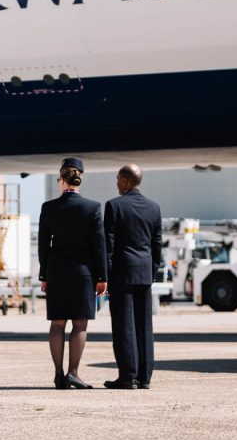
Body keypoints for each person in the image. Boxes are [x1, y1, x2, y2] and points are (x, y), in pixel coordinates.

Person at [39, 157, 108, 389]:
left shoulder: (48, 208)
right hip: (83, 274)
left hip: (57, 272)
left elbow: (43, 246)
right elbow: (99, 245)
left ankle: (58, 374)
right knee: (80, 325)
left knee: (57, 324)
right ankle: (73, 373)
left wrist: (44, 275)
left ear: (61, 180)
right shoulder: (92, 207)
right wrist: (102, 277)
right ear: (80, 179)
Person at [104, 164, 162, 390]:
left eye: (118, 179)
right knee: (144, 326)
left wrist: (106, 275)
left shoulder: (114, 206)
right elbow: (156, 245)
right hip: (144, 273)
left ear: (126, 181)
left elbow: (109, 245)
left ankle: (127, 376)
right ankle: (144, 377)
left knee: (124, 326)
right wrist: (152, 271)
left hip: (122, 273)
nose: (116, 183)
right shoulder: (154, 208)